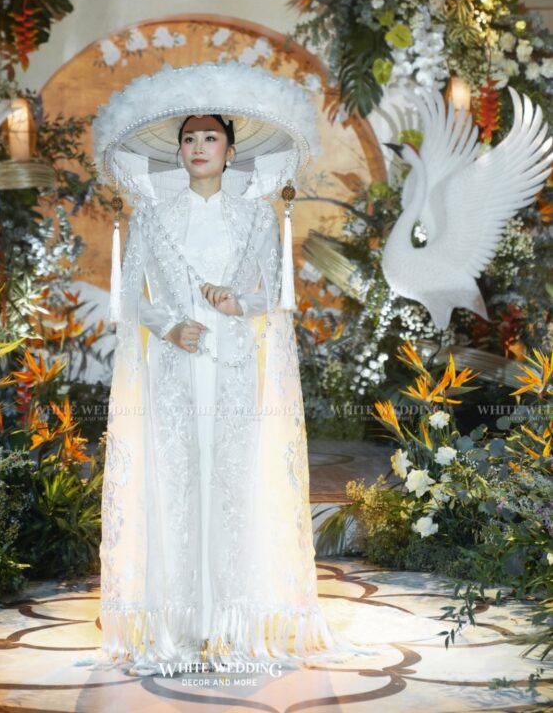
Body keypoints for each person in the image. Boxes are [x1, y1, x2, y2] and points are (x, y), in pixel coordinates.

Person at [92, 61, 376, 675]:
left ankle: (234, 619)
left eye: (210, 137)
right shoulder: (152, 217)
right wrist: (170, 326)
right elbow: (132, 297)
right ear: (178, 150)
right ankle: (179, 623)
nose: (198, 147)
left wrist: (234, 303)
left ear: (229, 148)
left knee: (233, 483)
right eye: (188, 138)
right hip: (173, 365)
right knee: (177, 481)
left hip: (235, 363)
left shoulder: (256, 216)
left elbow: (271, 293)